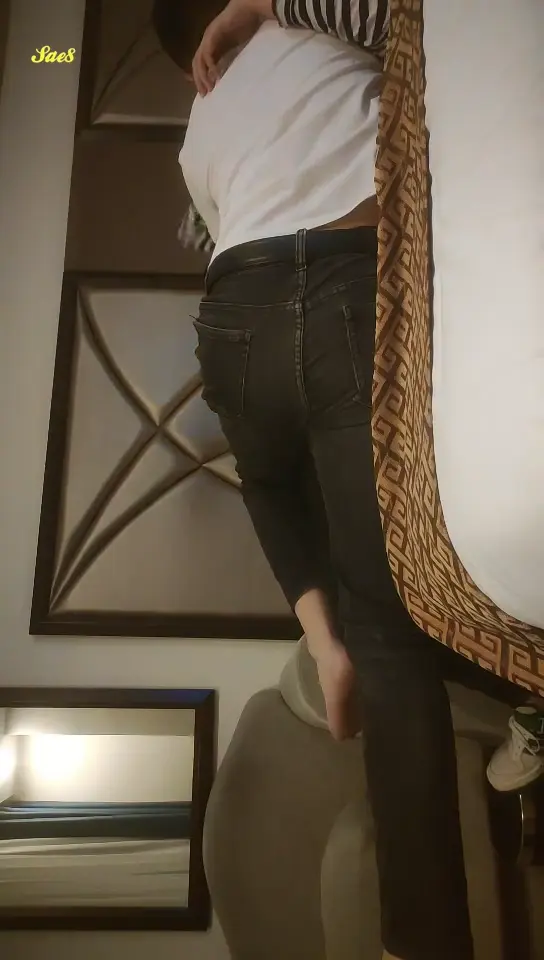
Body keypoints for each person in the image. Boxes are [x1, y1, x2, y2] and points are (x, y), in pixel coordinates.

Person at [150, 2, 528, 957]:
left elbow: (210, 234)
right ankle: (421, 935)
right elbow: (411, 21)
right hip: (344, 289)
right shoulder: (309, 18)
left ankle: (324, 641)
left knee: (269, 478)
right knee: (391, 627)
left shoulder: (198, 132)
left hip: (235, 311)